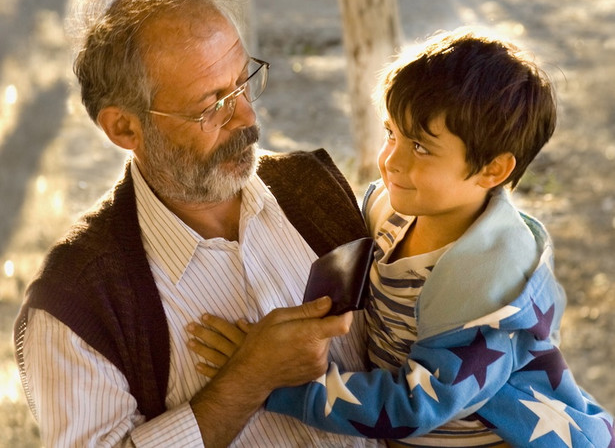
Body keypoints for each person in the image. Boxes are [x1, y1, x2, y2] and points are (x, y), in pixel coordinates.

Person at [191, 29, 615, 447]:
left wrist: (273, 382)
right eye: (391, 133)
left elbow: (414, 407)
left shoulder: (489, 287)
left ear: (494, 170)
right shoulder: (387, 211)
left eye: (421, 147)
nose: (391, 161)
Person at [13, 0, 380, 447]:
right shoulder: (76, 301)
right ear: (124, 128)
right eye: (212, 105)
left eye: (244, 83)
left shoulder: (314, 187)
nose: (247, 119)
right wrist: (251, 378)